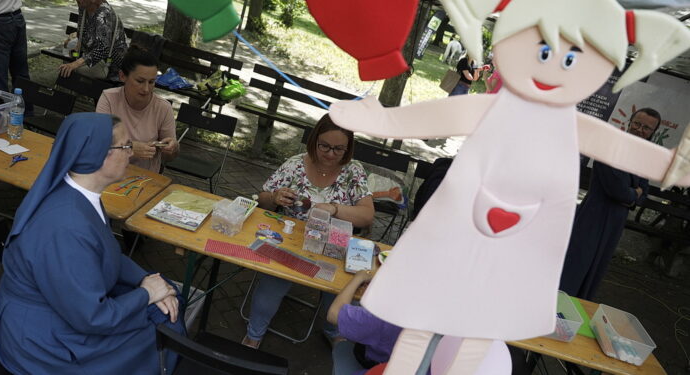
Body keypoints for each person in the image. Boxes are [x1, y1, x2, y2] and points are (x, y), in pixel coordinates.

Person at [328, 0, 690, 372]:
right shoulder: (493, 108)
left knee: (481, 327)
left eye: (571, 59)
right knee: (423, 315)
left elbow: (624, 149)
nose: (551, 68)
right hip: (458, 227)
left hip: (521, 242)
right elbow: (435, 116)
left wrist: (674, 166)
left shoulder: (575, 127)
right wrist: (379, 120)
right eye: (543, 50)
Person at [0, 113, 185, 374]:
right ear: (99, 154)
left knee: (167, 299)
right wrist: (147, 293)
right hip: (41, 342)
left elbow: (106, 253)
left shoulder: (79, 195)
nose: (132, 154)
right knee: (159, 330)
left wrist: (150, 280)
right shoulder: (66, 225)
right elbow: (92, 318)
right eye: (126, 146)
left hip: (65, 313)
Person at [242, 114, 375, 349]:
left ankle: (333, 329)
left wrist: (334, 208)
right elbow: (262, 200)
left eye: (339, 149)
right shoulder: (295, 164)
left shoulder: (353, 171)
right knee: (271, 285)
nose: (331, 154)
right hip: (292, 240)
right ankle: (254, 333)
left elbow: (367, 215)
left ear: (348, 148)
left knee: (339, 290)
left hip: (335, 245)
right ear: (314, 140)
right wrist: (275, 197)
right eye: (324, 146)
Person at [560, 108, 659, 299]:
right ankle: (556, 307)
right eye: (637, 123)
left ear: (653, 132)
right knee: (577, 264)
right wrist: (633, 193)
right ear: (629, 122)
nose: (640, 129)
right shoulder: (610, 147)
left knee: (596, 268)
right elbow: (618, 190)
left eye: (647, 128)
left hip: (616, 222)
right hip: (594, 215)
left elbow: (644, 192)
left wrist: (633, 193)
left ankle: (578, 307)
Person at [96, 46, 178, 173]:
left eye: (151, 82)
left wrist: (172, 149)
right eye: (140, 81)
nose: (146, 89)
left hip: (144, 179)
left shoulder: (163, 108)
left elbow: (169, 157)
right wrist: (130, 147)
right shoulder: (109, 98)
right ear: (122, 76)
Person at [327, 270, 402, 375]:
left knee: (344, 343)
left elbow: (333, 314)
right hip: (402, 363)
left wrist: (359, 278)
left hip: (374, 363)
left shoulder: (385, 317)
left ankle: (338, 337)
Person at [58, 0, 128, 81]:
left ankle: (76, 88)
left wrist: (76, 63)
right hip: (91, 52)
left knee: (76, 70)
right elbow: (82, 31)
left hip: (109, 62)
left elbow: (103, 48)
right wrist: (78, 45)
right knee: (69, 47)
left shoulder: (104, 13)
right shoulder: (83, 7)